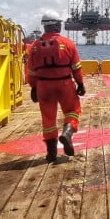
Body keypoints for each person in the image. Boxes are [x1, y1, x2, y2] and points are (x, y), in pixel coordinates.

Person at [26, 11, 86, 163]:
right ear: (57, 25)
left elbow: (31, 71)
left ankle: (51, 153)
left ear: (45, 26)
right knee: (73, 111)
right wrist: (80, 83)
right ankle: (67, 133)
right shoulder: (68, 44)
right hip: (64, 84)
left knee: (48, 119)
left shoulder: (33, 47)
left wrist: (33, 87)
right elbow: (76, 67)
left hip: (43, 86)